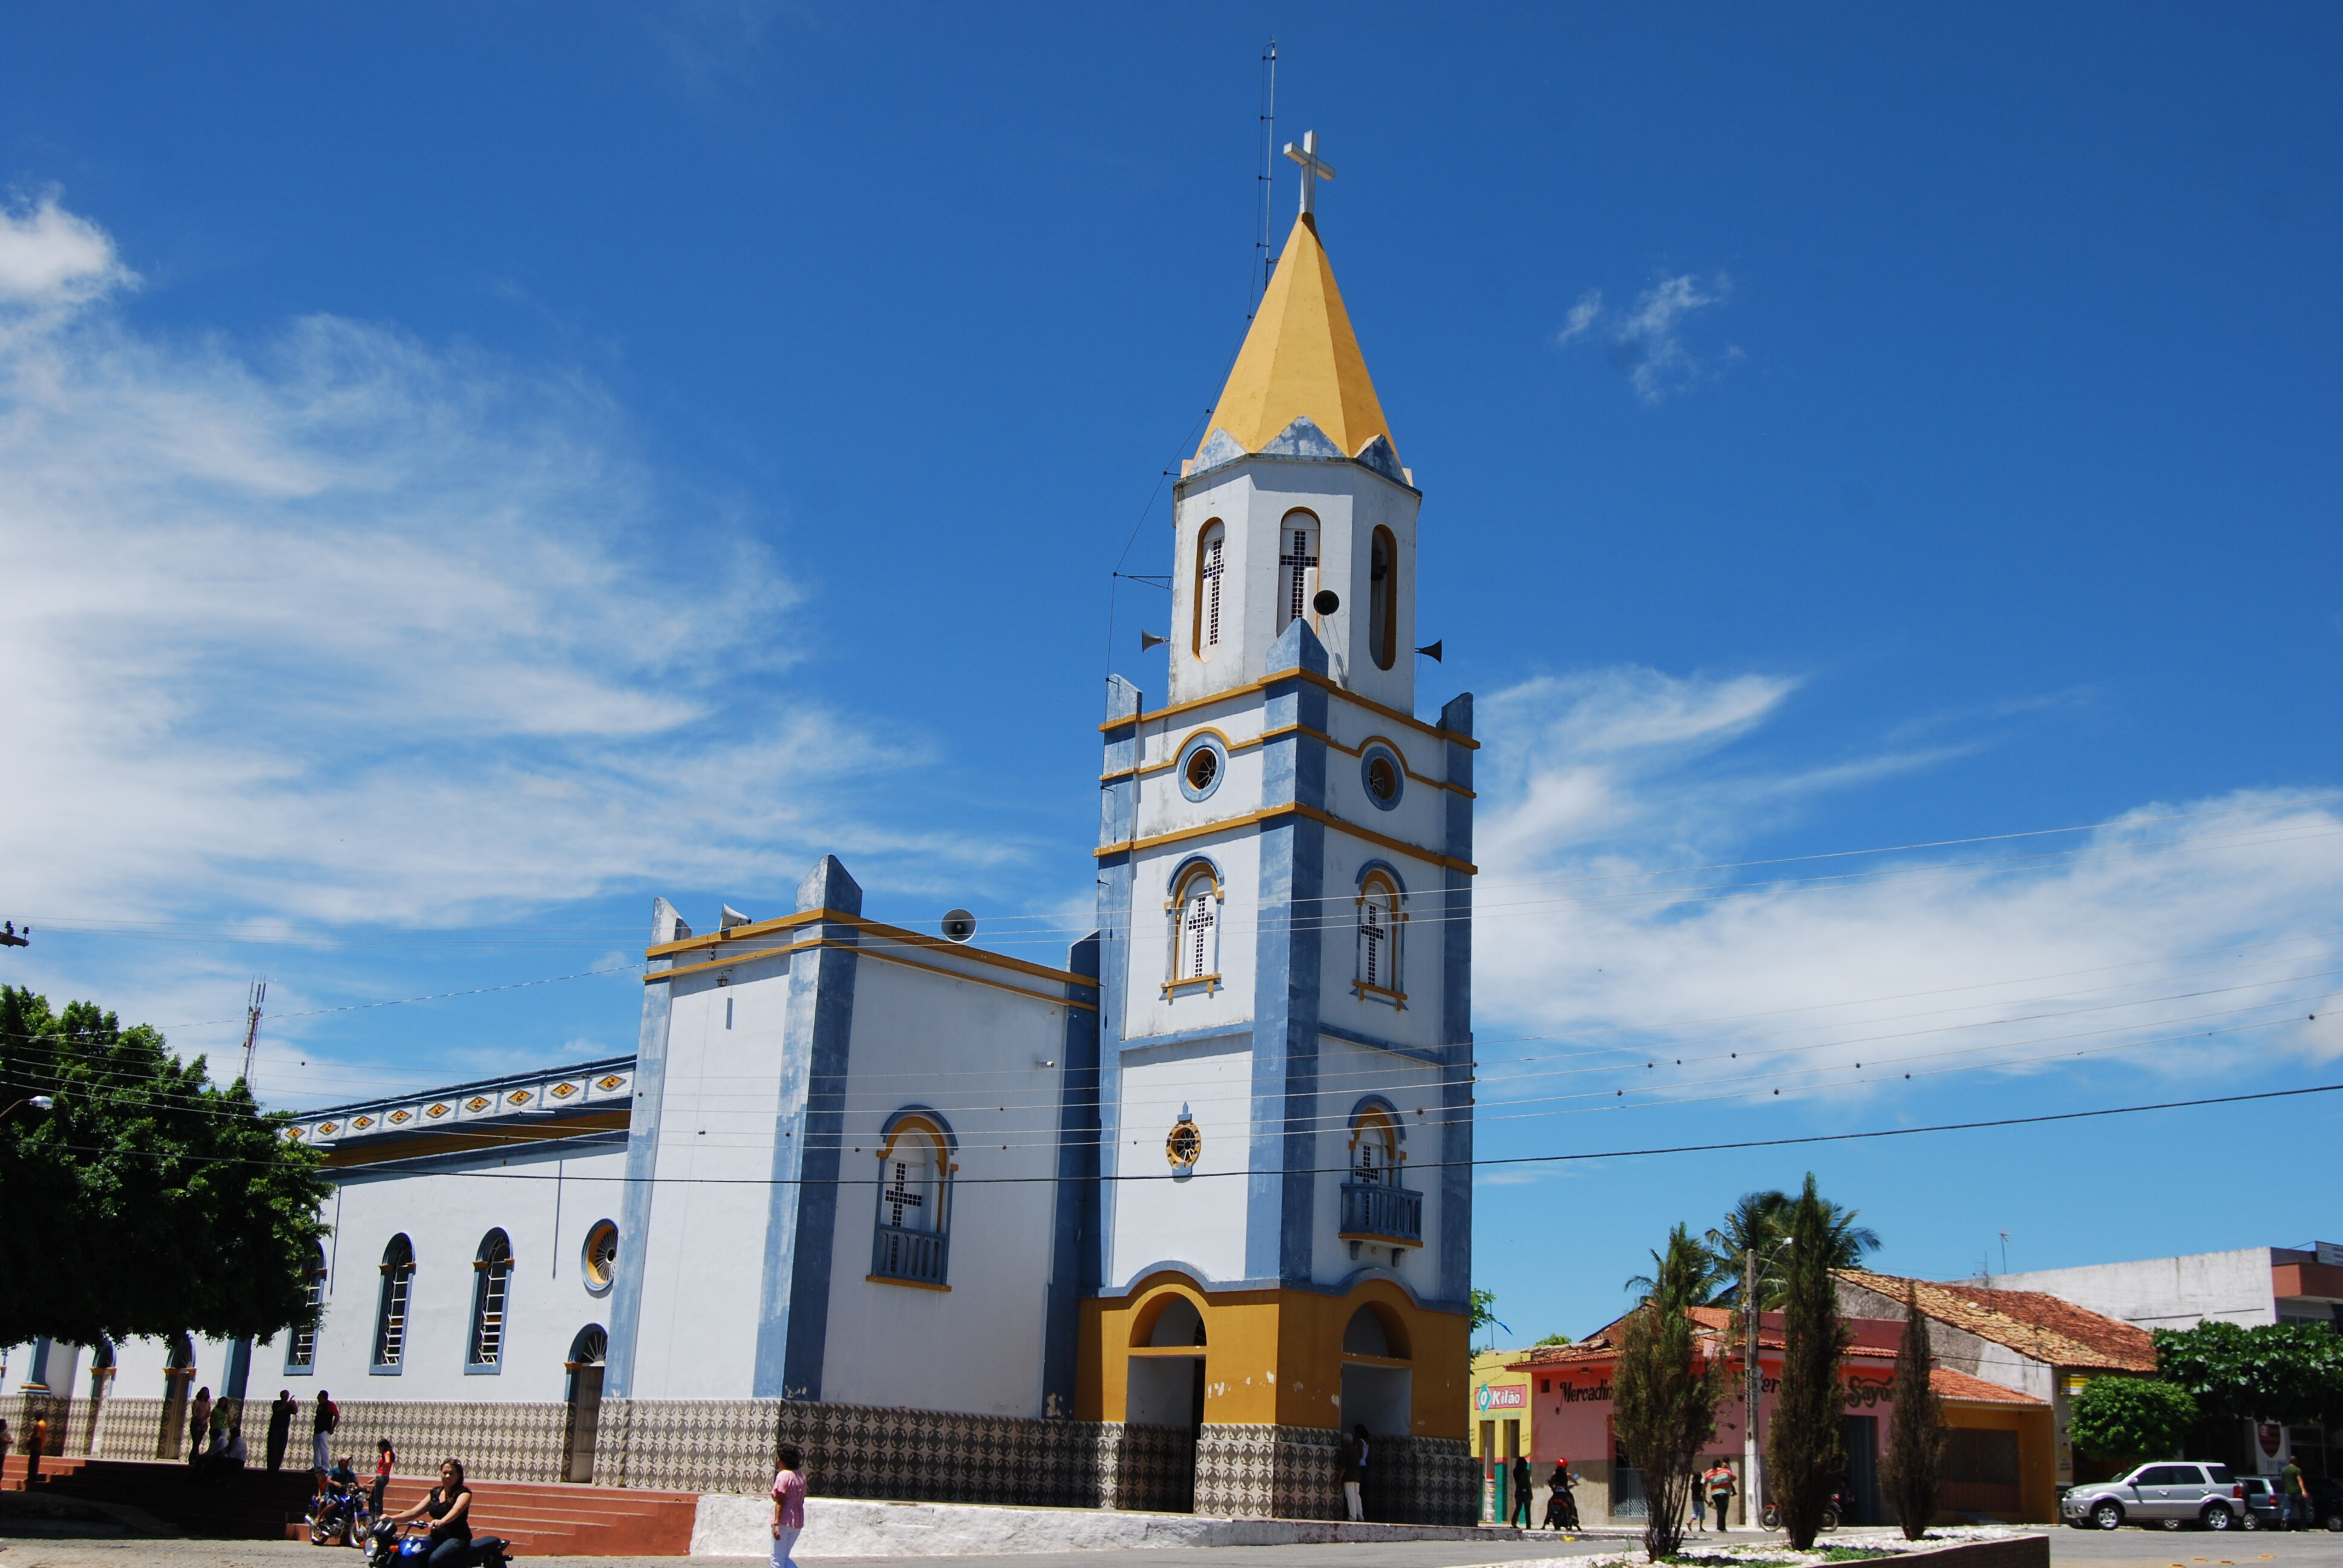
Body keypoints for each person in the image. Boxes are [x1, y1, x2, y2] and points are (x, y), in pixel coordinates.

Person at [385, 1457, 474, 1568]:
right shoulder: (435, 1493)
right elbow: (415, 1512)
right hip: (436, 1537)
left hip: (457, 1538)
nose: (447, 1476)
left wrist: (442, 1521)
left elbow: (456, 1510)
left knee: (435, 1560)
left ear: (459, 1475)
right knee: (413, 1552)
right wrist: (391, 1518)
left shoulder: (464, 1493)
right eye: (445, 1473)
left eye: (451, 1473)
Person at [770, 1440, 807, 1568]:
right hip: (797, 1520)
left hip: (784, 1520)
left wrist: (776, 1524)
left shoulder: (784, 1475)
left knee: (777, 1559)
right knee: (785, 1557)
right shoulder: (801, 1476)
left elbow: (780, 1501)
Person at [1339, 1424, 1369, 1522]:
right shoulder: (1357, 1449)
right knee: (1357, 1495)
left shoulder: (1348, 1450)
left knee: (1350, 1496)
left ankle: (1352, 1517)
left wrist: (1339, 1479)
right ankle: (1360, 1516)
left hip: (1349, 1476)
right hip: (1358, 1474)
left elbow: (1344, 1467)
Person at [310, 1390, 339, 1489]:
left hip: (324, 1430)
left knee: (324, 1448)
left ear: (324, 1397)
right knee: (316, 1448)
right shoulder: (319, 1406)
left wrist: (332, 1427)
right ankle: (317, 1466)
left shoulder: (330, 1405)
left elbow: (337, 1416)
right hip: (317, 1430)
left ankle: (325, 1467)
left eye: (319, 1396)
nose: (318, 1398)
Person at [266, 1390, 297, 1472]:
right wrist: (288, 1403)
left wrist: (294, 1405)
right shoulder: (276, 1403)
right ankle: (270, 1470)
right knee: (273, 1451)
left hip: (284, 1431)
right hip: (275, 1431)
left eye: (287, 1395)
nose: (286, 1396)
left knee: (281, 1451)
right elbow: (277, 1409)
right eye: (284, 1395)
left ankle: (276, 1470)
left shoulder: (289, 1405)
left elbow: (295, 1412)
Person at [1544, 1459, 1578, 1530]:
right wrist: (1576, 1484)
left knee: (1550, 1503)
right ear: (1566, 1466)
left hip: (1556, 1494)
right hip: (1563, 1494)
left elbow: (1551, 1483)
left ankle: (1547, 1519)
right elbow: (1570, 1483)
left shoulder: (1554, 1474)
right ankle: (1573, 1516)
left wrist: (1553, 1489)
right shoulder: (1566, 1475)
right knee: (1571, 1503)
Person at [1703, 1460, 1737, 1531]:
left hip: (1715, 1493)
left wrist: (1703, 1492)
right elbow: (1734, 1478)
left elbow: (1705, 1483)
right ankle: (1721, 1527)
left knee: (1720, 1509)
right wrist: (1727, 1479)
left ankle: (1722, 1527)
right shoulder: (1725, 1471)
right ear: (1720, 1464)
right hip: (1725, 1492)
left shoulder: (1709, 1472)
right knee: (1723, 1509)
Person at [372, 1438, 398, 1520]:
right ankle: (377, 1514)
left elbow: (387, 1462)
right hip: (384, 1477)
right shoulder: (390, 1453)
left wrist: (383, 1469)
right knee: (378, 1496)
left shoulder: (386, 1453)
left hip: (381, 1477)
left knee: (377, 1498)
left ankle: (377, 1515)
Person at [188, 1386, 212, 1463]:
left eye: (206, 1393)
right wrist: (199, 1420)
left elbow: (209, 1413)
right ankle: (192, 1458)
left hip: (204, 1424)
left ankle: (195, 1457)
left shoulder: (208, 1403)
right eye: (204, 1392)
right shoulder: (197, 1402)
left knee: (198, 1442)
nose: (205, 1394)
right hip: (196, 1423)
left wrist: (204, 1420)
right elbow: (194, 1413)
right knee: (196, 1441)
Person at [2281, 1456, 2306, 1530]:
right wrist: (2303, 1491)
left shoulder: (2284, 1470)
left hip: (2288, 1492)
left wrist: (2286, 1486)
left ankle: (2285, 1519)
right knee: (2303, 1509)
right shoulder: (2297, 1470)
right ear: (2296, 1462)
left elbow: (2283, 1480)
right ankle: (2303, 1527)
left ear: (2289, 1461)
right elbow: (2300, 1480)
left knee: (2288, 1508)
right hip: (2297, 1492)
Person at [1510, 1452, 1533, 1527]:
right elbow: (1528, 1483)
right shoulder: (1527, 1472)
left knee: (1518, 1508)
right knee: (1527, 1510)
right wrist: (1530, 1493)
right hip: (1526, 1492)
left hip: (1519, 1491)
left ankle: (1514, 1522)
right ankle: (1528, 1525)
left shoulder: (1515, 1471)